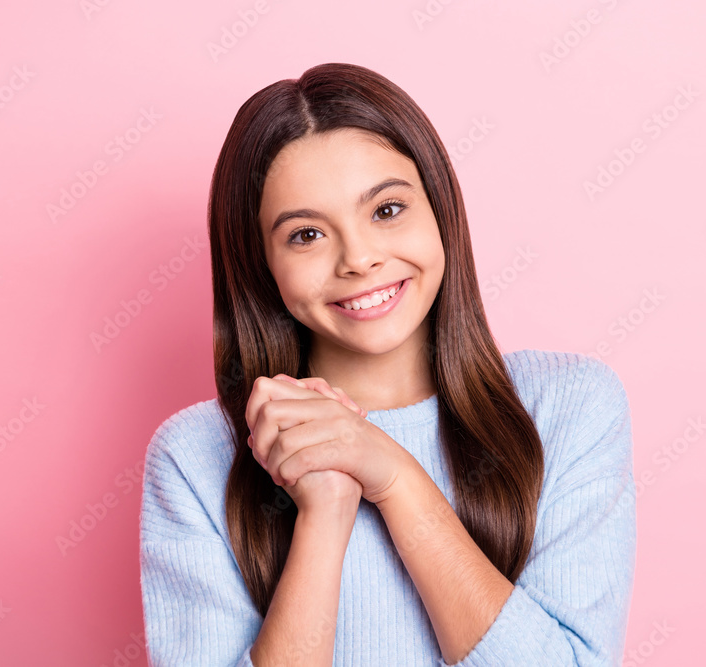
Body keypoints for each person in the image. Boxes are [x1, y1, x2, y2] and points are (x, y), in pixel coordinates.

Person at [139, 62, 636, 667]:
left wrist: (394, 476)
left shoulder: (569, 405)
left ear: (439, 210)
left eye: (386, 210)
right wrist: (324, 515)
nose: (360, 259)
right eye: (306, 235)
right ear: (260, 263)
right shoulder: (194, 458)